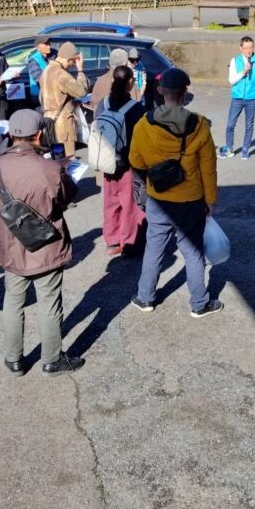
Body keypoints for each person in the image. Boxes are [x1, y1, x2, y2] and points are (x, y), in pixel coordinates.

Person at [0, 109, 84, 377]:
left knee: (13, 300)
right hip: (44, 245)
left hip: (10, 245)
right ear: (38, 135)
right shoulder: (48, 169)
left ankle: (13, 359)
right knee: (49, 302)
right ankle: (52, 360)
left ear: (10, 134)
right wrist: (63, 170)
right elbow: (66, 197)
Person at [128, 67, 223, 318]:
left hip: (158, 198)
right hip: (190, 199)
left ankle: (145, 297)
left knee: (154, 248)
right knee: (193, 252)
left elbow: (135, 160)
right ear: (185, 92)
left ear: (160, 91)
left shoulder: (144, 124)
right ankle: (199, 303)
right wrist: (210, 199)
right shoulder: (199, 125)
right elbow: (208, 167)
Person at [101, 66, 147, 256]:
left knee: (110, 203)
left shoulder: (103, 104)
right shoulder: (136, 108)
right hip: (128, 163)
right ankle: (129, 243)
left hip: (106, 161)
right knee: (130, 205)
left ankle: (112, 241)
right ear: (130, 82)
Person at [218, 36, 255, 159]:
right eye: (246, 48)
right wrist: (243, 72)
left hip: (252, 97)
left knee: (249, 125)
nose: (249, 50)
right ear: (240, 48)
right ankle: (229, 148)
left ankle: (245, 150)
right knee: (230, 124)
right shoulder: (235, 60)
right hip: (237, 97)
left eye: (251, 47)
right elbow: (231, 80)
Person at [40, 41, 90, 158]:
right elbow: (81, 92)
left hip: (49, 121)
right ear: (69, 59)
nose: (72, 65)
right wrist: (80, 70)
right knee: (68, 160)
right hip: (63, 123)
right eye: (73, 62)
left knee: (55, 159)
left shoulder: (46, 70)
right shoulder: (61, 74)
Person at [91, 48, 129, 114]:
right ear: (125, 64)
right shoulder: (127, 82)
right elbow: (135, 106)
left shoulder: (100, 80)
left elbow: (93, 104)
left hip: (101, 119)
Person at [25, 37, 53, 108]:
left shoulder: (52, 56)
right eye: (46, 44)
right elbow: (39, 80)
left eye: (49, 44)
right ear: (38, 47)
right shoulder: (34, 60)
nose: (49, 46)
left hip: (50, 95)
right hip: (40, 96)